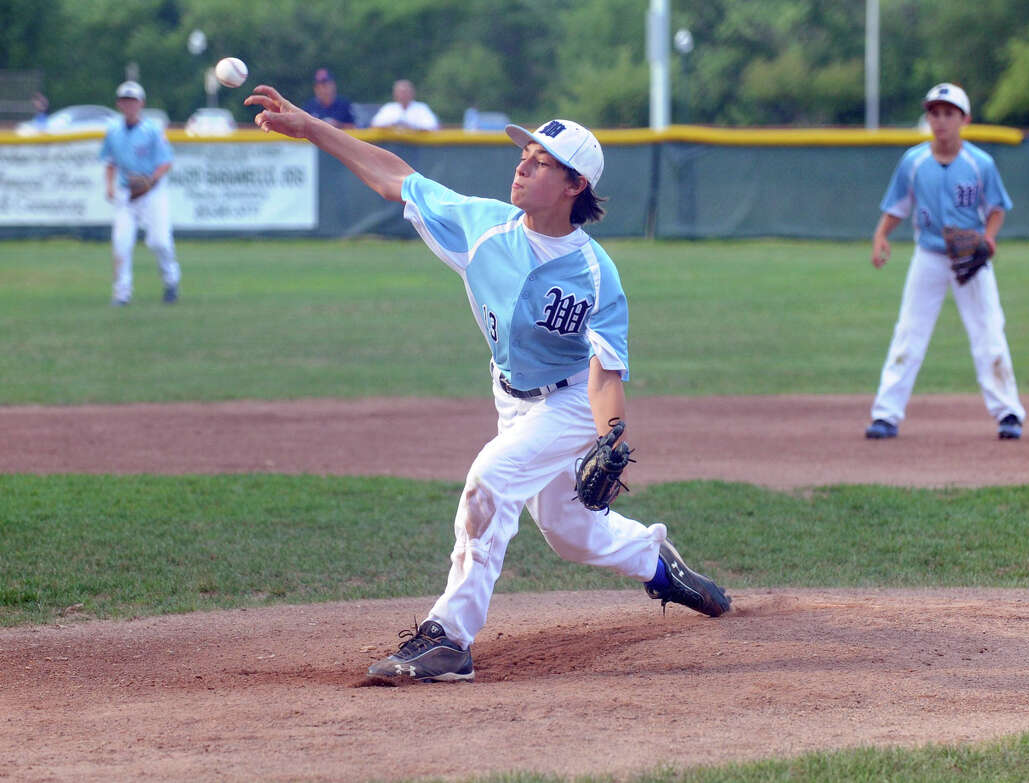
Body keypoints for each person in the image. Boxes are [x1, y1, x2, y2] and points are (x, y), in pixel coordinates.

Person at [244, 84, 732, 683]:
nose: (522, 164)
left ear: (575, 185)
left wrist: (610, 438)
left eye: (540, 161)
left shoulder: (594, 273)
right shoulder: (482, 227)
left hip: (573, 399)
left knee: (490, 481)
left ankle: (448, 639)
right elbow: (395, 177)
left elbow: (605, 371)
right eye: (524, 154)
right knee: (571, 533)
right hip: (511, 395)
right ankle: (658, 564)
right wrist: (312, 127)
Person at [865, 82, 1024, 440]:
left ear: (964, 119)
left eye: (948, 114)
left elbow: (997, 208)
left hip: (971, 259)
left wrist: (988, 237)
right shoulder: (914, 161)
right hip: (929, 257)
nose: (940, 121)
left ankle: (1009, 413)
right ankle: (886, 415)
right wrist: (880, 236)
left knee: (988, 334)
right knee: (908, 334)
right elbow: (898, 206)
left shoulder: (980, 163)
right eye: (934, 113)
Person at [99, 81, 180, 306]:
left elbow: (166, 162)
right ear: (119, 104)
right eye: (125, 100)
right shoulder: (113, 130)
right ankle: (121, 293)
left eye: (133, 100)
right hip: (127, 193)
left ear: (141, 103)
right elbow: (109, 161)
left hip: (152, 192)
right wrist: (109, 187)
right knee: (121, 243)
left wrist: (149, 180)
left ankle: (171, 280)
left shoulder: (152, 130)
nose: (129, 104)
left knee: (160, 242)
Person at [370, 79, 439, 131]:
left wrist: (411, 127)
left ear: (412, 93)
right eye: (400, 92)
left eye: (406, 92)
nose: (403, 95)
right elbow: (375, 124)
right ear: (395, 94)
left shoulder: (421, 108)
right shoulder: (388, 108)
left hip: (416, 146)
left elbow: (432, 126)